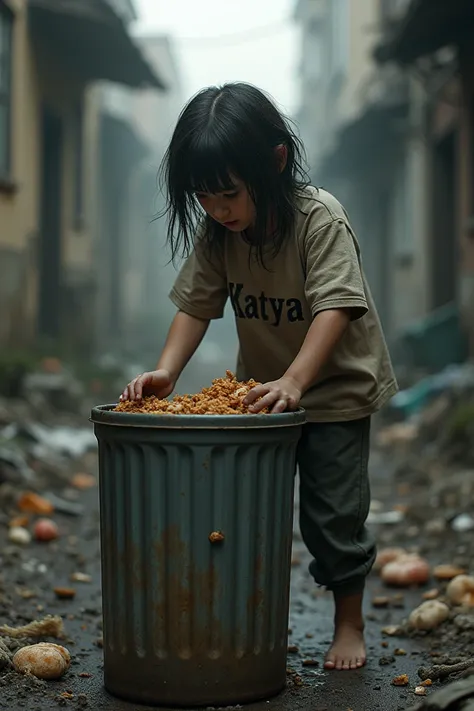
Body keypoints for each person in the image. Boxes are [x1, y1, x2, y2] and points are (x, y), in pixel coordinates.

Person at [120, 82, 398, 671]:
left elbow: (337, 306)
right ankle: (241, 615)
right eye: (204, 196)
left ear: (274, 162)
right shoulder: (220, 233)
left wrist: (297, 381)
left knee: (332, 516)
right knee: (243, 511)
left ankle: (349, 622)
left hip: (334, 393)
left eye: (228, 193)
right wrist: (167, 371)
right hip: (259, 396)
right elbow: (197, 304)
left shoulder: (318, 218)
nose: (219, 209)